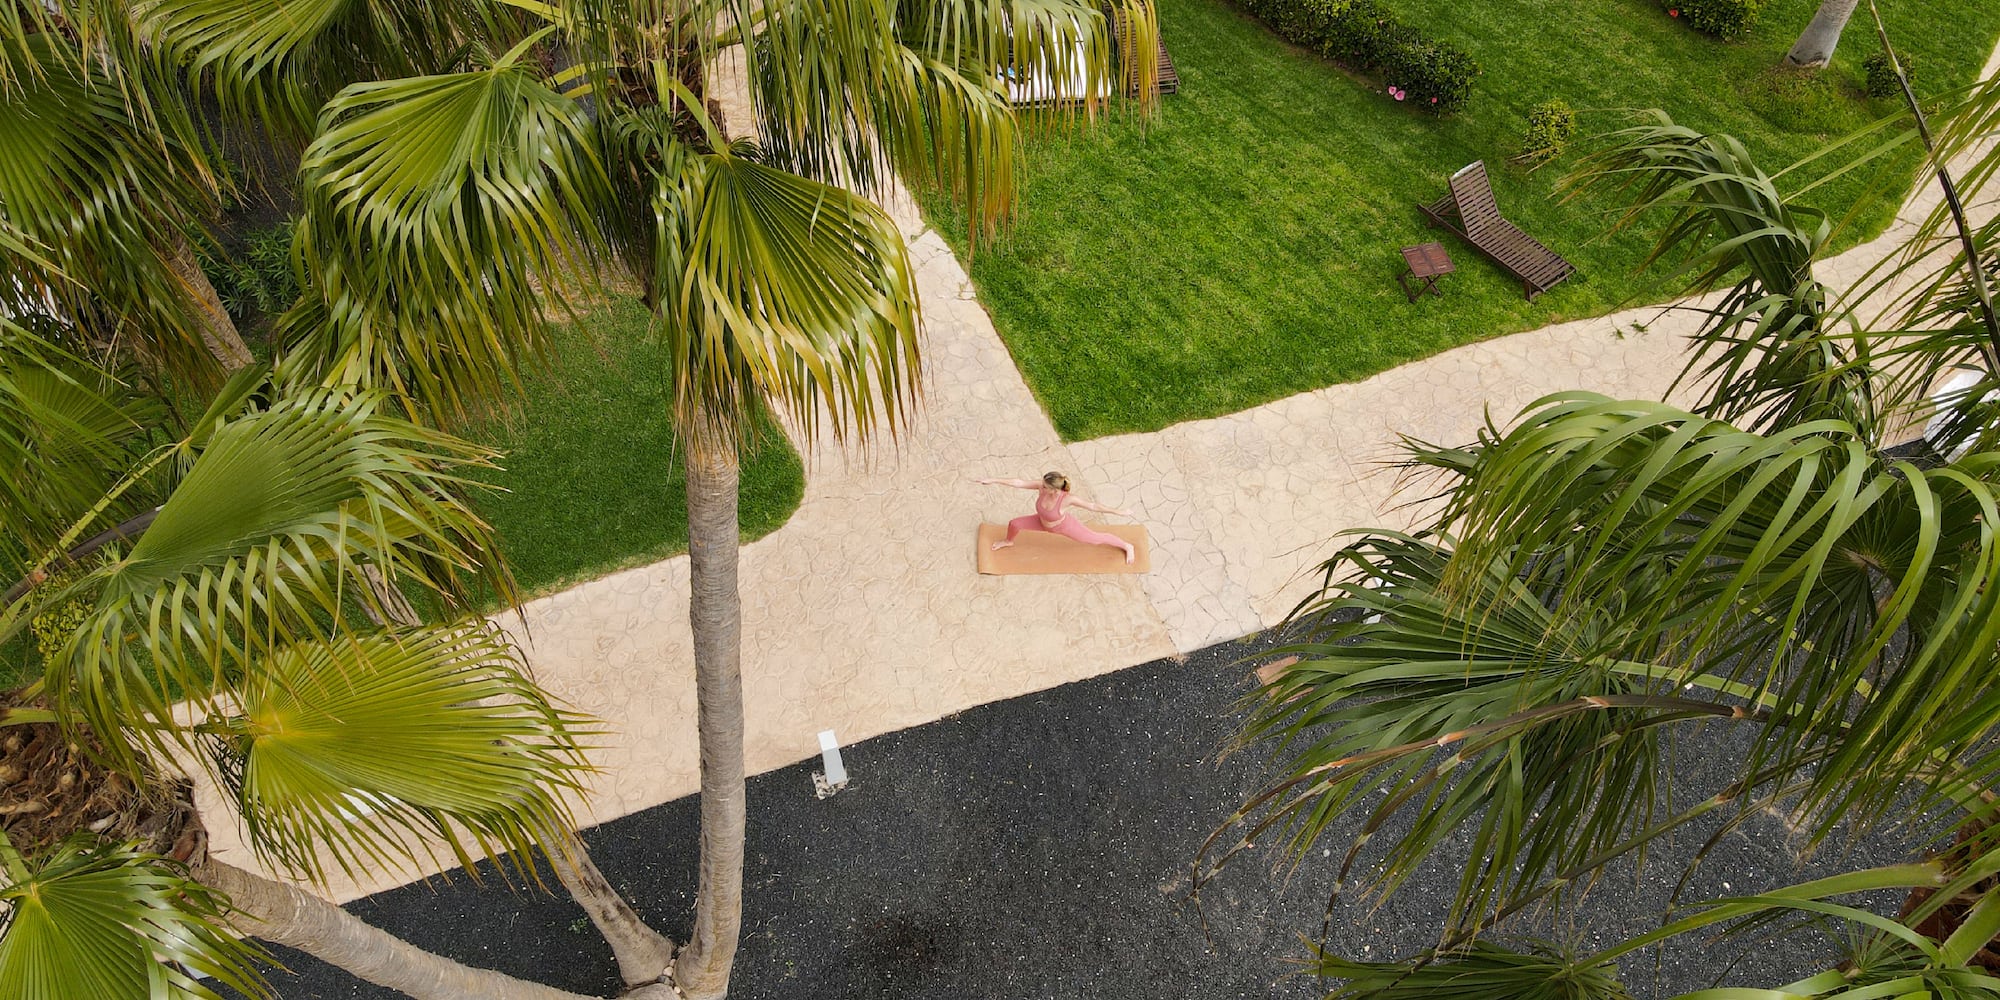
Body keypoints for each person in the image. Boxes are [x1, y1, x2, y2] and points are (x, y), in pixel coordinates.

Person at [975, 472, 1137, 564]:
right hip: (1041, 522)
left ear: (1054, 489)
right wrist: (992, 480)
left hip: (1063, 526)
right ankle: (1009, 541)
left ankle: (1127, 546)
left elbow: (1093, 506)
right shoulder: (1042, 485)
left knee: (1094, 539)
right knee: (1015, 524)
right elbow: (1019, 482)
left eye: (1045, 486)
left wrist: (1119, 512)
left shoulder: (1067, 499)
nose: (1040, 486)